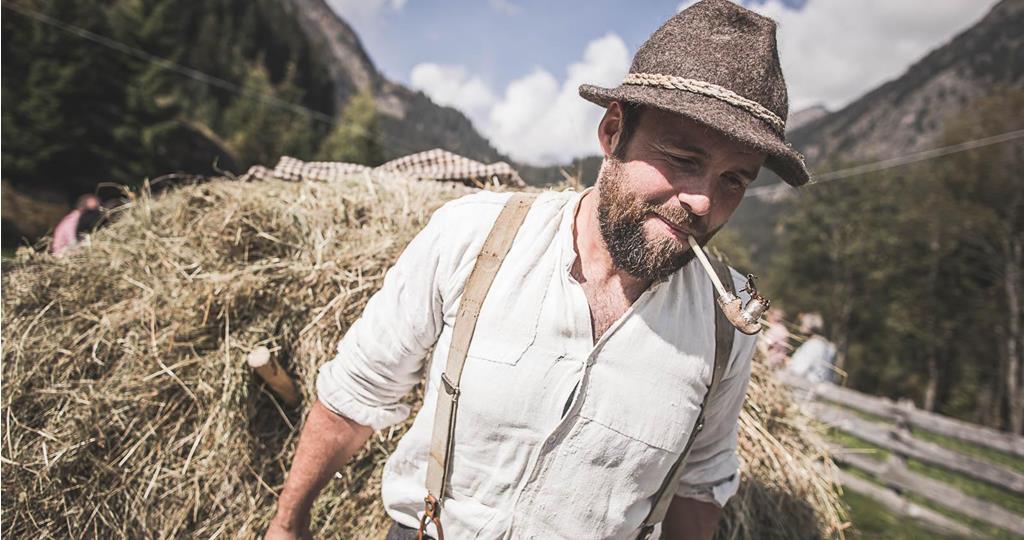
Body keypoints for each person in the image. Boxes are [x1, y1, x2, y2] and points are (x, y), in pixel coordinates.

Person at [266, 1, 809, 538]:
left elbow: (701, 481)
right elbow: (358, 392)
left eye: (733, 180)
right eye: (684, 160)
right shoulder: (473, 237)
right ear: (613, 131)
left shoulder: (724, 326)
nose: (702, 202)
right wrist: (288, 526)